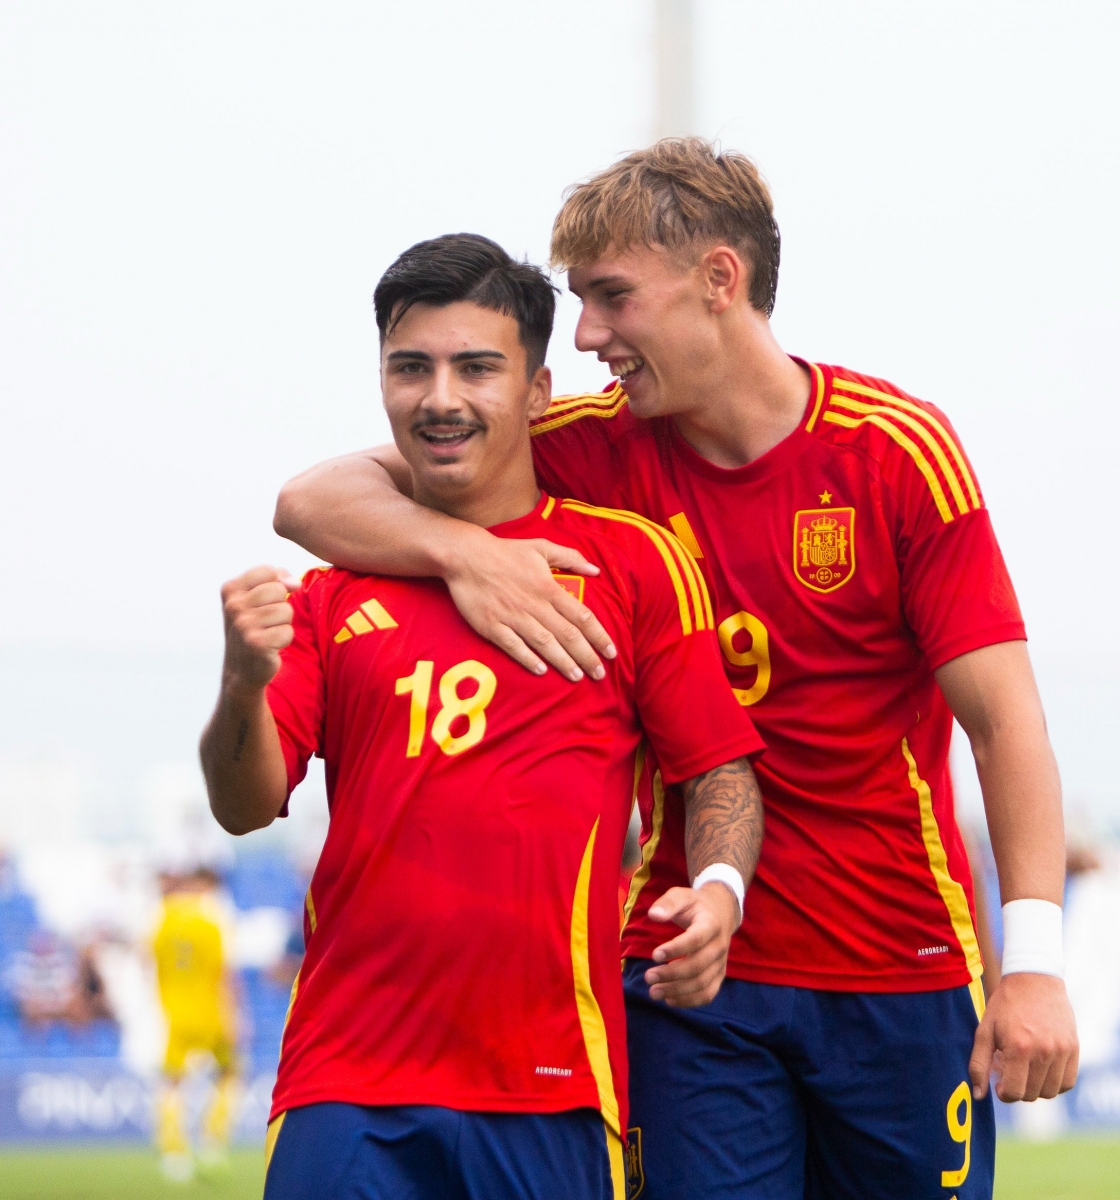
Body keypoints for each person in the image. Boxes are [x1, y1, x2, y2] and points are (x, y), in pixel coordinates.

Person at [274, 139, 1080, 1199]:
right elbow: (309, 502)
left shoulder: (894, 452)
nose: (591, 333)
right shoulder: (583, 443)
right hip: (686, 977)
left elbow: (1006, 721)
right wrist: (463, 550)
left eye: (611, 298)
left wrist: (1035, 959)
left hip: (899, 967)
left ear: (718, 280)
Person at [200, 233, 765, 1200]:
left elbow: (716, 768)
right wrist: (242, 680)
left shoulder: (627, 567)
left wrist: (719, 890)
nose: (441, 397)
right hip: (346, 1082)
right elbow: (245, 805)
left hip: (553, 1083)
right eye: (410, 367)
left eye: (477, 367)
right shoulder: (334, 592)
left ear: (539, 392)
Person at [152, 865, 240, 1182]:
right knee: (230, 1074)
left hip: (175, 1014)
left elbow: (147, 959)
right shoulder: (212, 922)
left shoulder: (163, 921)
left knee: (172, 1083)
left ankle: (174, 1153)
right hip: (212, 1014)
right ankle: (213, 1140)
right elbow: (225, 974)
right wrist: (236, 1017)